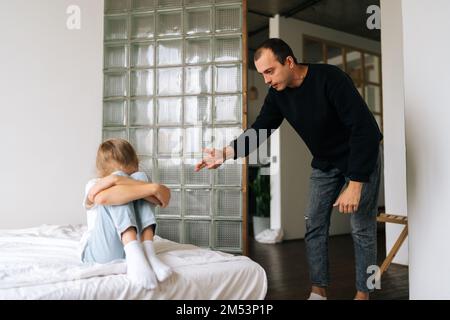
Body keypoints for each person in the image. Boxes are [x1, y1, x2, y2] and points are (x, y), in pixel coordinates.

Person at [195, 38, 383, 300]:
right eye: (262, 75)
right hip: (325, 162)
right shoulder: (278, 96)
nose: (266, 80)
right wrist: (226, 153)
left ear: (290, 62)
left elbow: (365, 131)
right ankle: (318, 291)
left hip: (361, 157)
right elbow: (260, 129)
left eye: (270, 71)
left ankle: (364, 294)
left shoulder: (330, 79)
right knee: (314, 224)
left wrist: (355, 182)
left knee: (362, 227)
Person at [80, 138, 172, 289]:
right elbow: (103, 198)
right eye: (121, 175)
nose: (128, 177)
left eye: (130, 174)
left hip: (137, 245)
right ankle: (133, 251)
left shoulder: (139, 177)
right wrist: (150, 188)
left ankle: (149, 252)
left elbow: (163, 199)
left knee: (141, 178)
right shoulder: (93, 184)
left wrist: (131, 183)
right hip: (100, 253)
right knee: (117, 193)